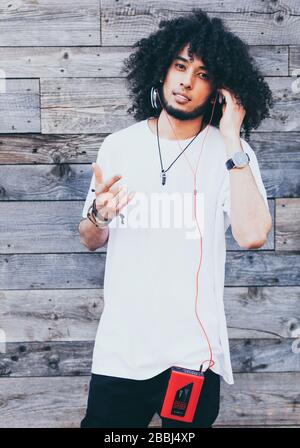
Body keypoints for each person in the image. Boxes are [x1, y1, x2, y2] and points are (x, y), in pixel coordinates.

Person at [79, 9, 273, 428]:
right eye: (180, 66)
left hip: (191, 359)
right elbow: (90, 238)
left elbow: (254, 234)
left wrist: (233, 138)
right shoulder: (120, 146)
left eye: (202, 74)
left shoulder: (232, 155)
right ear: (162, 69)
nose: (186, 81)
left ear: (220, 89)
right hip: (121, 353)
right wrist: (99, 214)